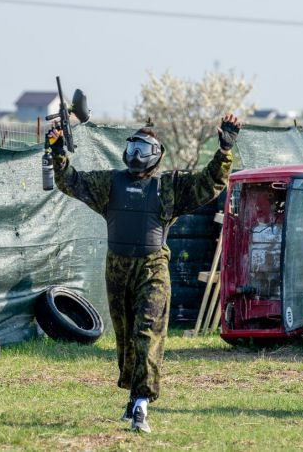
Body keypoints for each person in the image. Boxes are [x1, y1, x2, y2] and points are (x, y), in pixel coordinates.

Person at [47, 113, 241, 433]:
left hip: (153, 268)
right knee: (126, 341)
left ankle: (141, 404)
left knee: (147, 333)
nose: (136, 155)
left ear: (156, 154)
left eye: (143, 148)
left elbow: (210, 183)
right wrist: (57, 151)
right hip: (117, 270)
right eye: (133, 147)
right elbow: (72, 181)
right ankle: (133, 395)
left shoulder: (169, 187)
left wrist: (224, 151)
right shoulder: (110, 183)